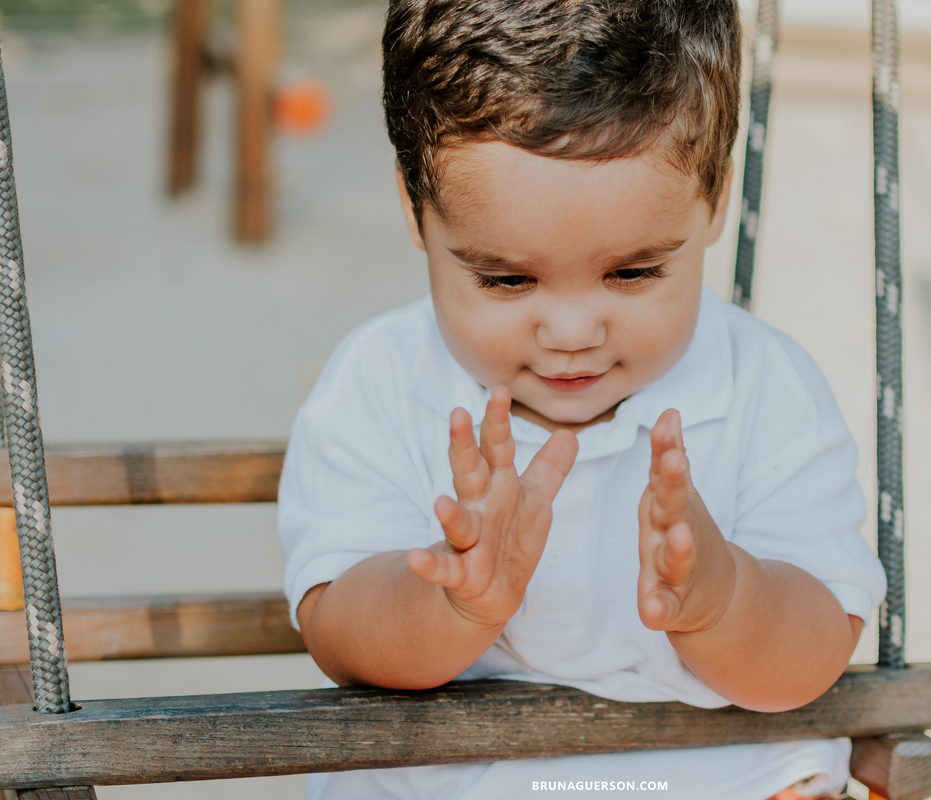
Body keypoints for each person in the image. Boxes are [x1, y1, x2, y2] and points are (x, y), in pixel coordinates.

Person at [278, 1, 886, 798]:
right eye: (505, 279)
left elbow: (809, 659)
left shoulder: (765, 387)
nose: (570, 331)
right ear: (415, 210)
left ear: (713, 199)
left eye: (632, 273)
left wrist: (724, 596)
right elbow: (339, 633)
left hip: (716, 773)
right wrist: (451, 604)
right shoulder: (383, 382)